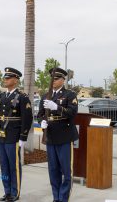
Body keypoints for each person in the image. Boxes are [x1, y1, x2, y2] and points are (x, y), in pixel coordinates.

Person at [0, 67, 32, 202]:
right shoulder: (1, 96)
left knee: (14, 165)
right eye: (5, 77)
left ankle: (15, 192)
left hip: (13, 135)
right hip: (1, 134)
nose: (5, 80)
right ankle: (7, 192)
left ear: (16, 80)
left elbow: (27, 118)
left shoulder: (22, 97)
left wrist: (23, 136)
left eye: (8, 78)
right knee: (4, 165)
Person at [37, 67, 79, 202]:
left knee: (66, 171)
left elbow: (72, 113)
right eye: (52, 78)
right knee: (53, 170)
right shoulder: (46, 96)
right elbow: (40, 115)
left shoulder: (69, 95)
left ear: (63, 80)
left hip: (65, 136)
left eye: (56, 78)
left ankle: (63, 198)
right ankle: (56, 197)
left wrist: (57, 107)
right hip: (50, 137)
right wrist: (42, 122)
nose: (53, 81)